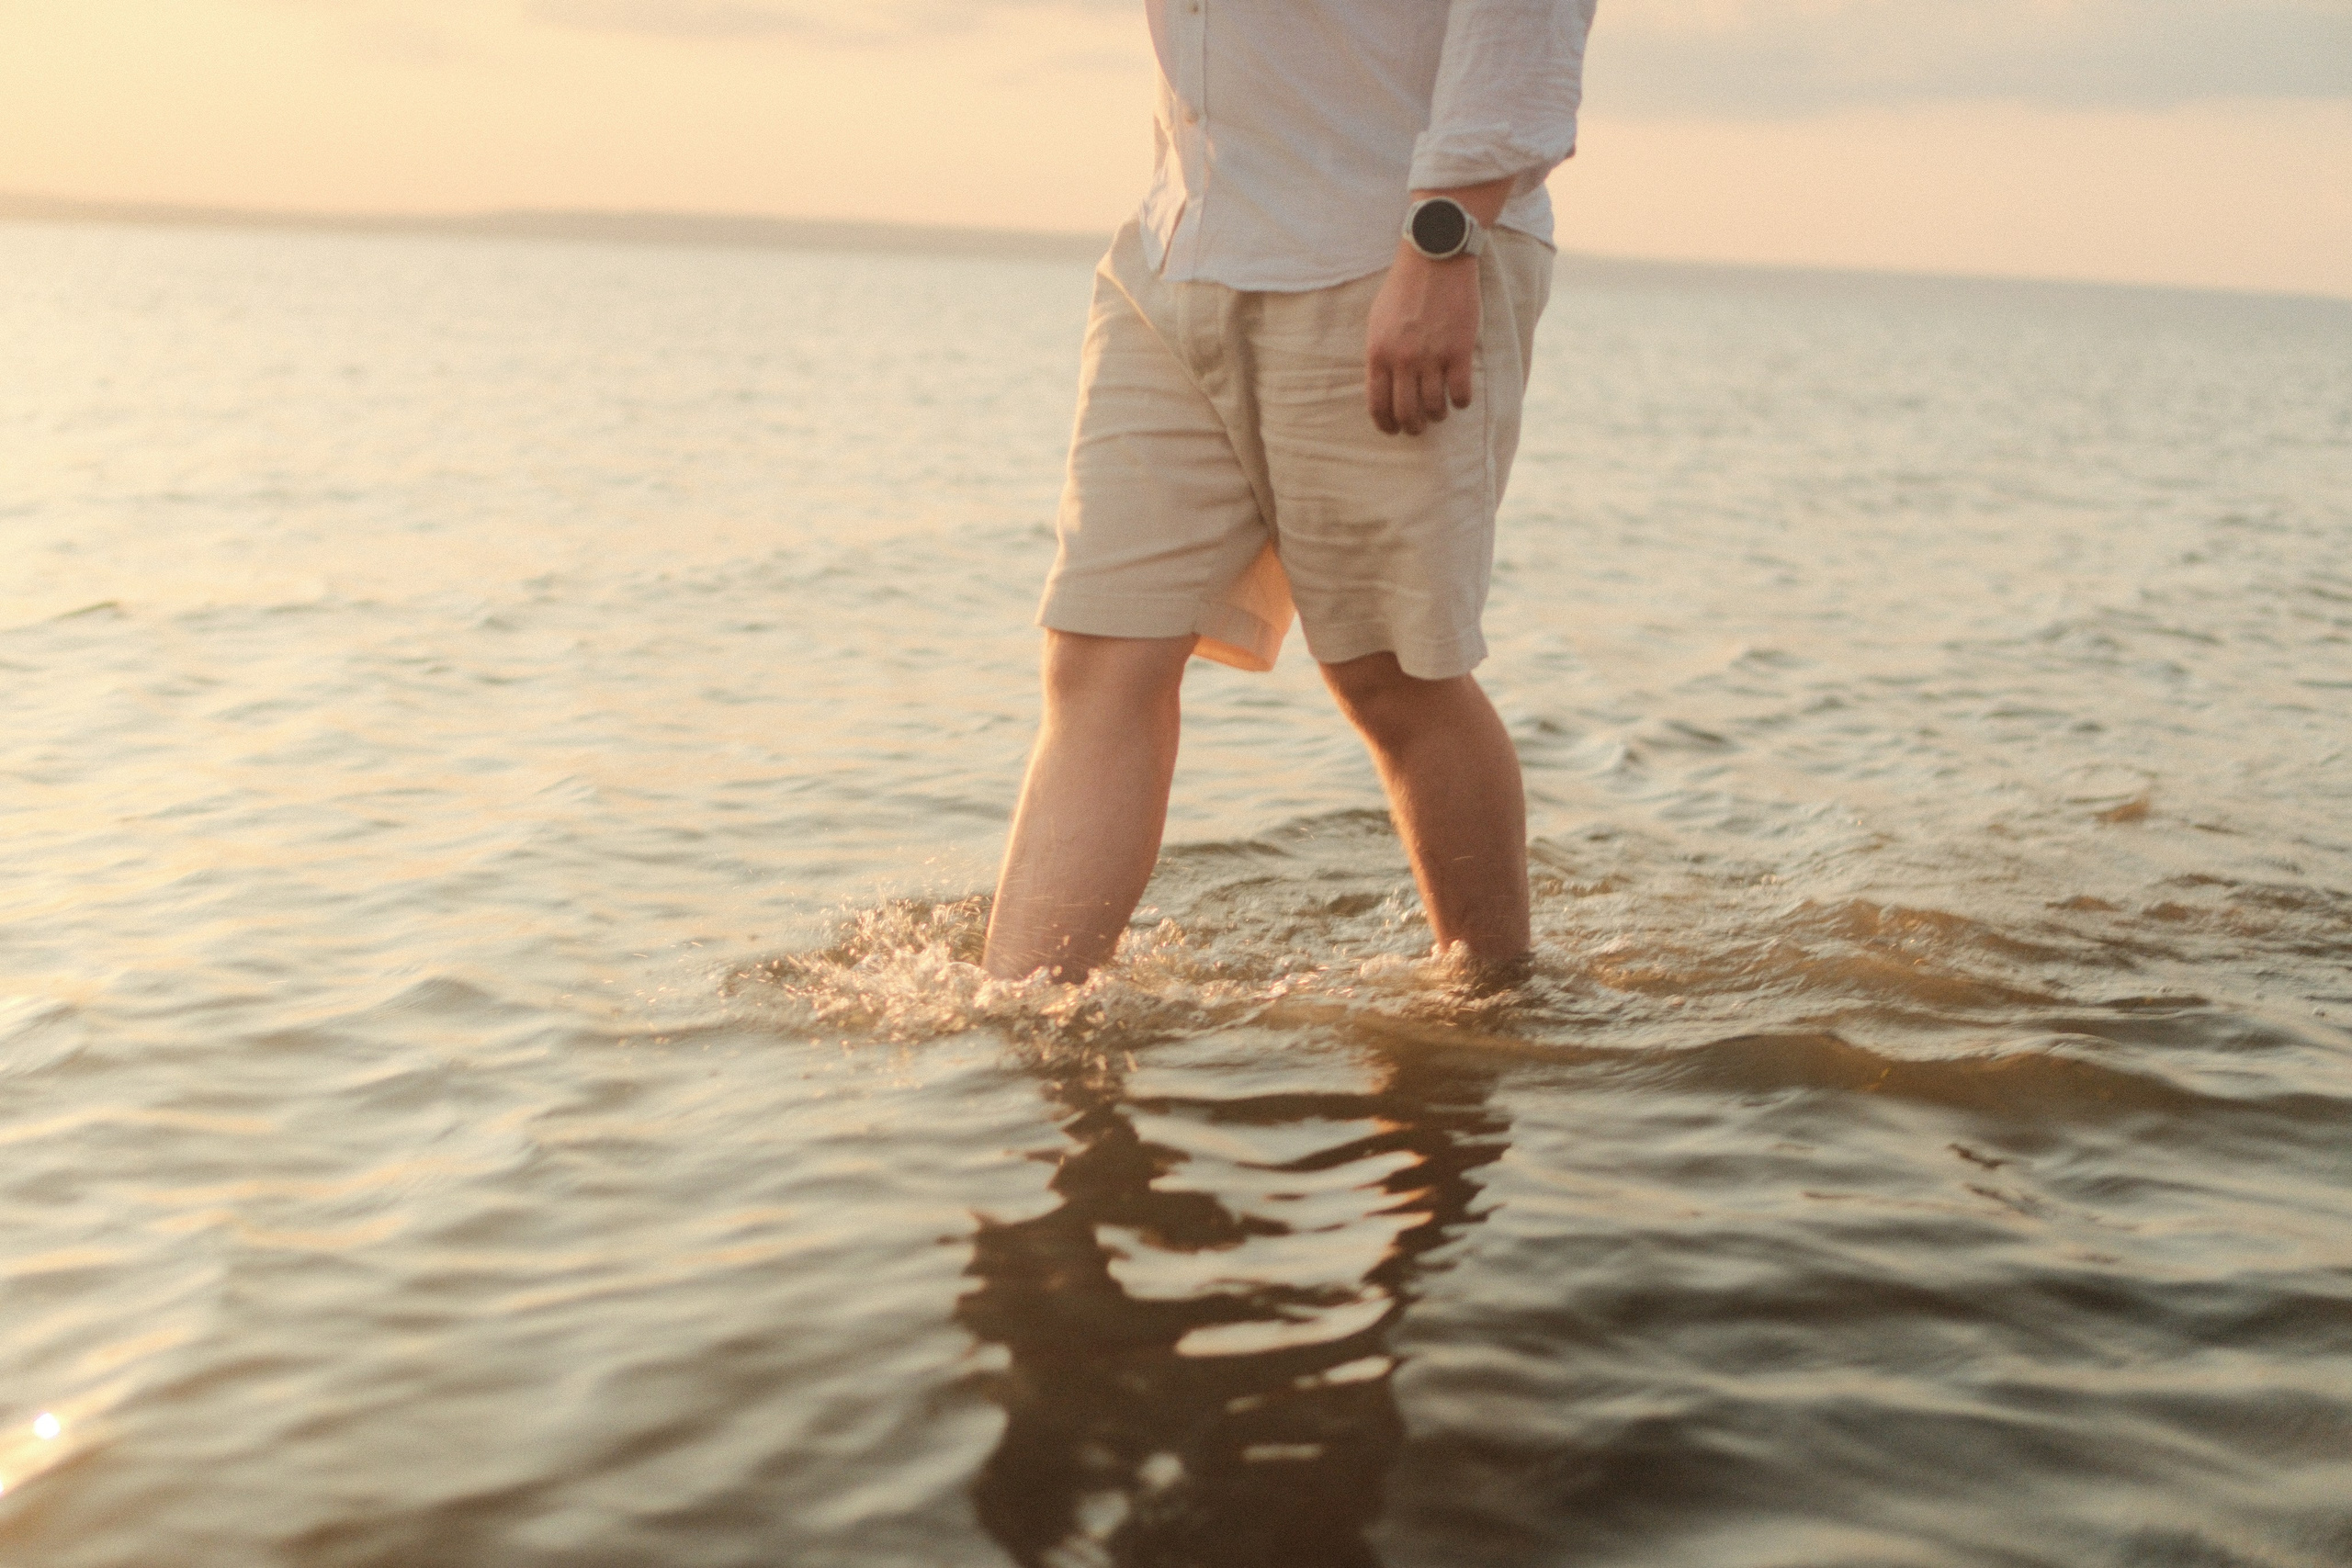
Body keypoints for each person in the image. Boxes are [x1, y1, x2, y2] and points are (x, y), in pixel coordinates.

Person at [983, 0, 1600, 985]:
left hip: (1388, 253)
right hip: (1178, 247)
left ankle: (1491, 1013)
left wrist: (1440, 240)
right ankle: (1023, 1020)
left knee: (1391, 671)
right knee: (1098, 652)